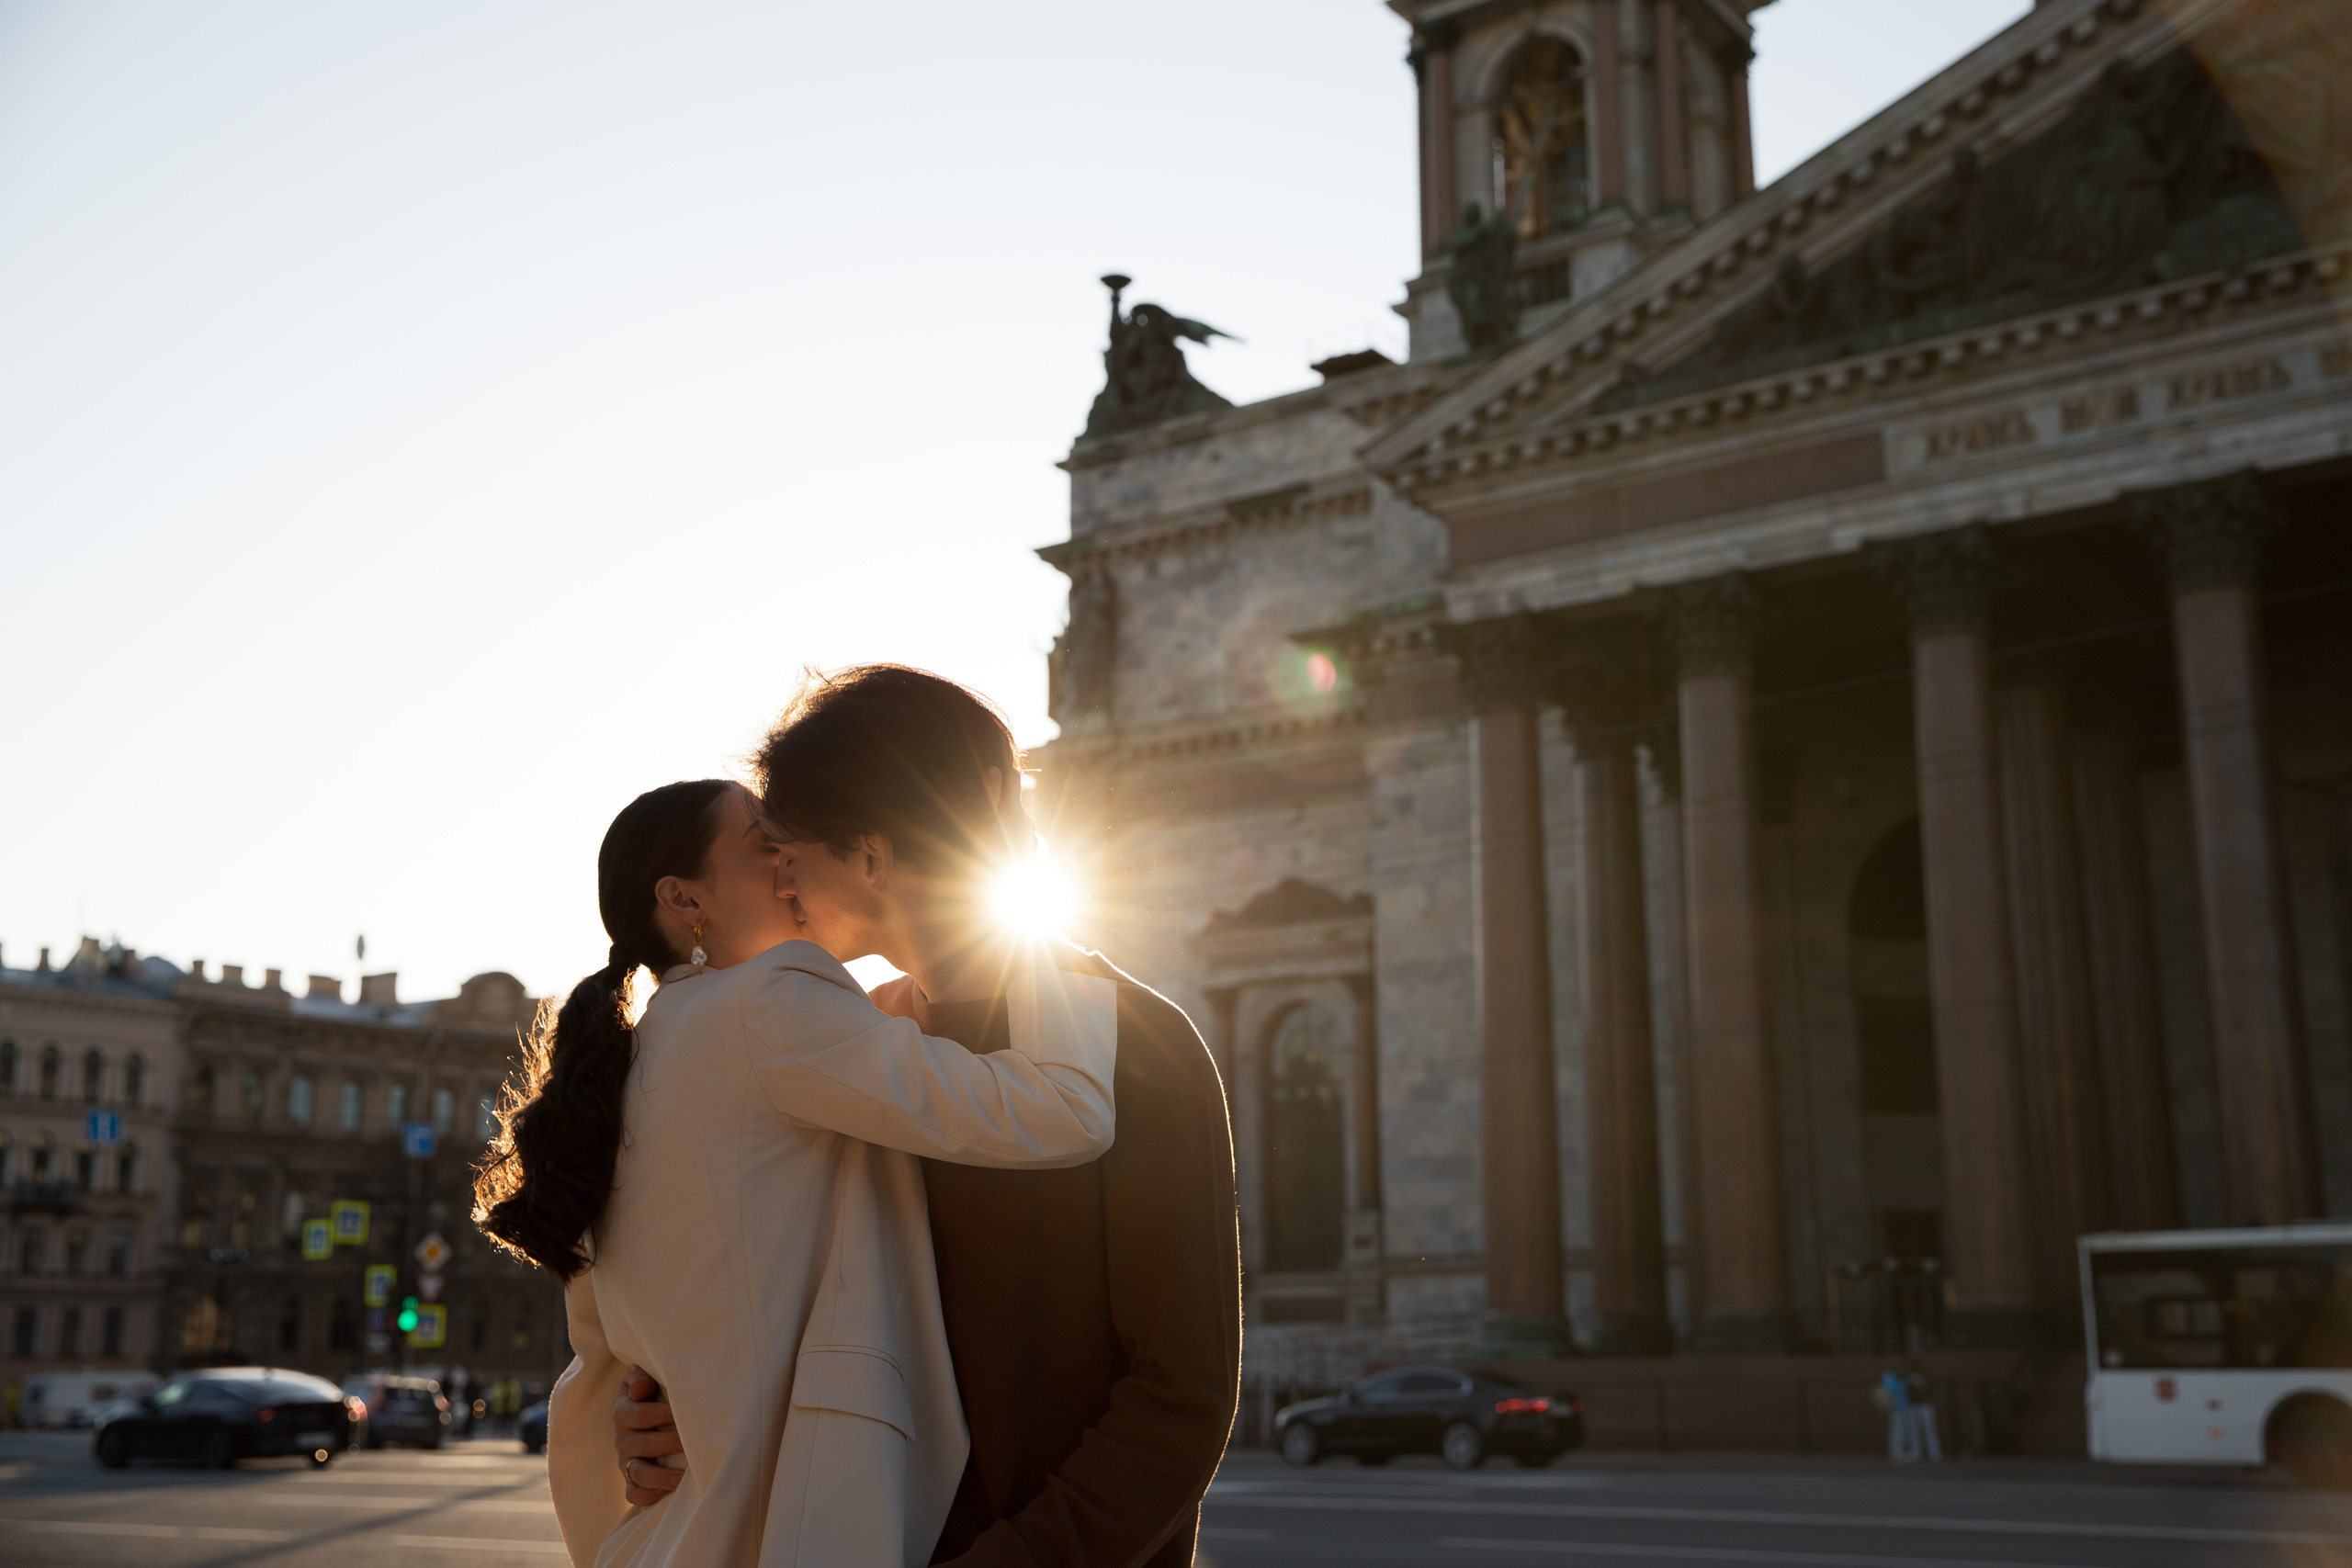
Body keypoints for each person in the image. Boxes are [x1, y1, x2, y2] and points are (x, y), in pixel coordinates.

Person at [613, 666, 1241, 1568]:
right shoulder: (846, 1047)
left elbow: (1181, 1402)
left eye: (788, 848)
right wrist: (655, 1418)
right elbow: (766, 1299)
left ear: (870, 855)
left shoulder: (1136, 1047)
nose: (776, 878)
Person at [475, 776, 1122, 1568]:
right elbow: (1063, 1108)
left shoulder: (615, 1070)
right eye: (761, 841)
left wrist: (646, 1416)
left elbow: (610, 1367)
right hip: (784, 1533)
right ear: (684, 898)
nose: (789, 858)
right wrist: (1044, 942)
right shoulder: (772, 1004)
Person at [1903, 1357, 1943, 1463]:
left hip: (1925, 1405)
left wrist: (1918, 1384)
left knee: (1929, 1429)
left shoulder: (1925, 1376)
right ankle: (1916, 1451)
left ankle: (1934, 1452)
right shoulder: (1908, 1376)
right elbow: (1905, 1390)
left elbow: (1926, 1388)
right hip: (1913, 1405)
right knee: (1914, 1430)